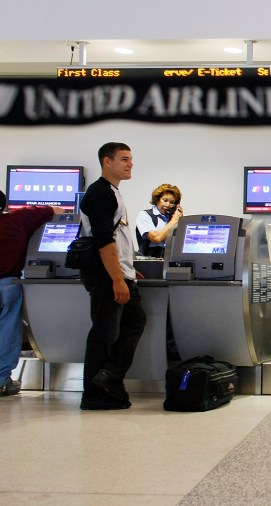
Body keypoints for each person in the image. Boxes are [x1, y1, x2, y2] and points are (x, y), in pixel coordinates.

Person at [78, 142, 147, 410]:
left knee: (134, 322)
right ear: (107, 161)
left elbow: (118, 239)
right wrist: (118, 278)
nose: (130, 164)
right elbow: (104, 241)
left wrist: (127, 268)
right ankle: (94, 392)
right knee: (104, 333)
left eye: (131, 159)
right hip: (105, 276)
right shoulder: (99, 194)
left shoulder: (112, 192)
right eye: (124, 159)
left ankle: (108, 377)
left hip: (118, 271)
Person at [0, 191, 62, 396]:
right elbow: (57, 211)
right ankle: (2, 380)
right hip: (8, 283)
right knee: (7, 330)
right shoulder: (18, 219)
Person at [135, 183, 183, 258]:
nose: (167, 205)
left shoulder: (172, 218)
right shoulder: (145, 215)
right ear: (157, 199)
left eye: (172, 202)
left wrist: (181, 221)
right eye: (165, 200)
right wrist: (173, 222)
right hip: (150, 258)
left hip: (170, 256)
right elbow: (156, 238)